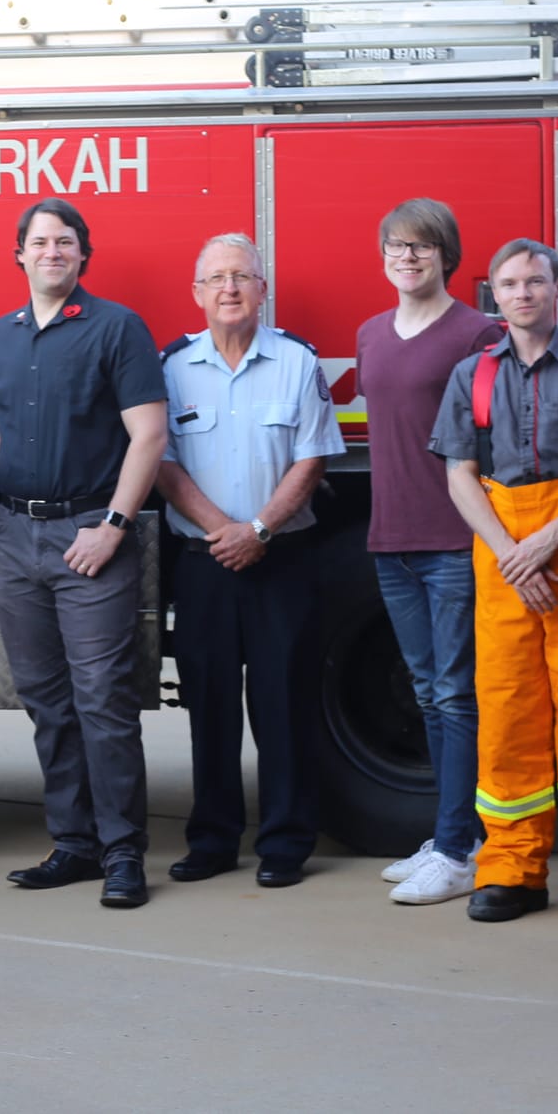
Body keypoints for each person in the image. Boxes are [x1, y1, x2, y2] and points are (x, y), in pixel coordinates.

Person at [0, 197, 167, 909]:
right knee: (46, 699)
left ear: (82, 254)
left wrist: (112, 526)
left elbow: (150, 436)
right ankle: (73, 843)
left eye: (64, 241)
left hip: (88, 539)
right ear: (19, 253)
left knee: (105, 700)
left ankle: (124, 851)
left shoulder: (116, 328)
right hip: (15, 537)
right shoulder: (1, 336)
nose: (51, 251)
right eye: (39, 241)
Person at [429, 239, 558, 927]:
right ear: (494, 292)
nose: (522, 293)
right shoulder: (472, 375)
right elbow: (459, 472)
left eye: (535, 281)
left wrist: (547, 540)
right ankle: (511, 868)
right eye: (510, 283)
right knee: (509, 709)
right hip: (501, 549)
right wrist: (510, 549)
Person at [156, 234, 344, 890]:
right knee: (207, 706)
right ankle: (211, 839)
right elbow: (162, 461)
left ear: (262, 289)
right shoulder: (172, 367)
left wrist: (259, 528)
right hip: (205, 561)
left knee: (284, 703)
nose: (230, 288)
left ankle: (287, 842)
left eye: (242, 276)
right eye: (217, 278)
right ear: (197, 294)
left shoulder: (296, 361)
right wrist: (224, 532)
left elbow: (314, 455)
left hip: (283, 557)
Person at [355, 198, 502, 906]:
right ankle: (451, 830)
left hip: (452, 539)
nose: (407, 256)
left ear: (447, 254)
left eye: (421, 245)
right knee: (426, 692)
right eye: (395, 245)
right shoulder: (370, 334)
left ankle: (457, 846)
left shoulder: (478, 332)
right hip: (392, 539)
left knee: (454, 692)